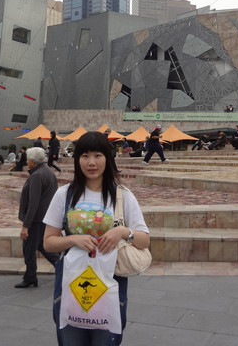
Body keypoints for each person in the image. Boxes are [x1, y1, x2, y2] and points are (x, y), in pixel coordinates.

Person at [43, 132, 150, 344]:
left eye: (98, 155)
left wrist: (123, 232)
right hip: (71, 285)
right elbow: (48, 242)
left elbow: (144, 240)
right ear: (77, 160)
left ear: (107, 159)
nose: (91, 162)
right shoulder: (64, 195)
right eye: (85, 156)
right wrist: (73, 240)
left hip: (110, 285)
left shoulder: (123, 196)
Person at [15, 147, 60, 288]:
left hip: (36, 220)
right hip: (45, 217)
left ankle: (30, 277)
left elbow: (33, 203)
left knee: (29, 249)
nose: (26, 161)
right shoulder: (48, 171)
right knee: (42, 245)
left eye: (28, 159)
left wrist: (25, 225)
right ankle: (63, 267)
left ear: (33, 162)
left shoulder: (37, 175)